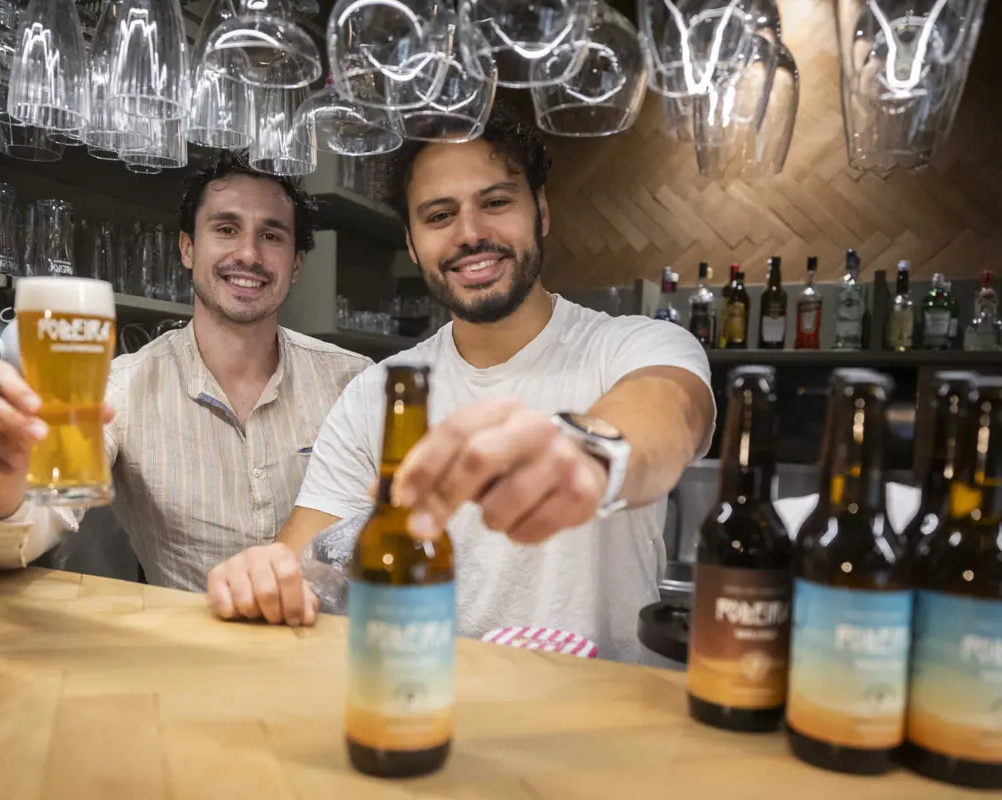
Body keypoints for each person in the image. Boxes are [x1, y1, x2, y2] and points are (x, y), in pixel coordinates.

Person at [206, 106, 716, 662]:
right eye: (439, 215)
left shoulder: (633, 345)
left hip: (605, 725)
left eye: (495, 202)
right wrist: (271, 577)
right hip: (431, 711)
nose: (471, 235)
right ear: (412, 239)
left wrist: (592, 454)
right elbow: (309, 561)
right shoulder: (379, 394)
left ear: (540, 210)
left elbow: (670, 411)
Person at [0, 150, 371, 605]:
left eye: (271, 235)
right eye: (226, 229)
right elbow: (15, 544)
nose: (248, 254)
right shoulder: (122, 387)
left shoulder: (352, 381)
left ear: (295, 263)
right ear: (188, 247)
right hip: (191, 662)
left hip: (327, 653)